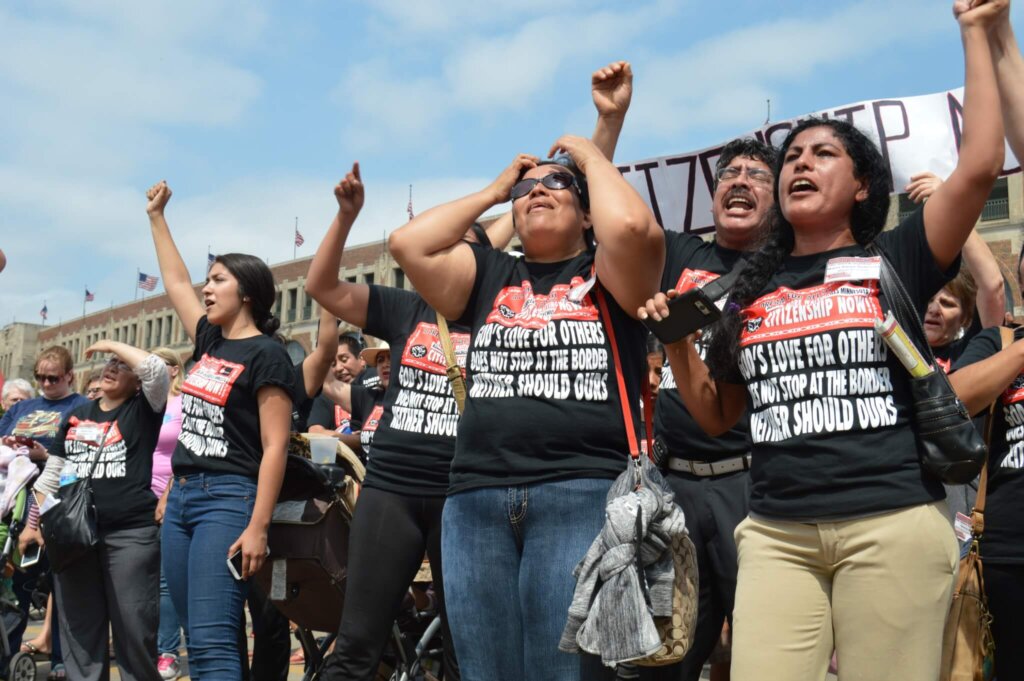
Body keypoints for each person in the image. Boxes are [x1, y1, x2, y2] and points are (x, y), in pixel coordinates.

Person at [641, 3, 1005, 678]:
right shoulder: (742, 290)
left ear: (862, 183)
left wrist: (976, 31)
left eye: (823, 153)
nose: (801, 162)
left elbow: (980, 165)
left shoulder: (895, 257)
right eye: (793, 157)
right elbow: (720, 413)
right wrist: (680, 344)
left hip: (891, 523)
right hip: (777, 535)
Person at [388, 62, 664, 680]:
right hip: (476, 499)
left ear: (587, 212)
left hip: (581, 491)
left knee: (559, 673)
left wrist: (591, 152)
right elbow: (409, 244)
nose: (537, 192)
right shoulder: (490, 275)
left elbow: (633, 226)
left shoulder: (611, 274)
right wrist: (496, 191)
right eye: (527, 190)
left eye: (556, 186)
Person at [146, 180, 295, 679]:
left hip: (228, 499)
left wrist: (257, 525)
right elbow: (174, 281)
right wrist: (157, 218)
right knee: (197, 634)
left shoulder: (267, 355)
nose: (205, 289)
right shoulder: (209, 339)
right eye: (206, 281)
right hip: (182, 499)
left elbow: (275, 447)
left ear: (247, 292)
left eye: (218, 280)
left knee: (212, 643)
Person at [649, 137, 777, 681]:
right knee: (667, 657)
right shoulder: (678, 254)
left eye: (756, 174)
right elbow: (612, 221)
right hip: (671, 489)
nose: (740, 180)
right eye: (729, 173)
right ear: (713, 195)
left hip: (752, 489)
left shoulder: (789, 268)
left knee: (763, 654)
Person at [34, 340, 168, 681]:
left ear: (136, 380)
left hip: (129, 536)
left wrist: (110, 344)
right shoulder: (77, 414)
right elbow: (50, 476)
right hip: (74, 538)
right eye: (108, 363)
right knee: (80, 634)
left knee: (134, 631)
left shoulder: (143, 409)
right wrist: (44, 523)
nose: (111, 367)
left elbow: (155, 370)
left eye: (121, 365)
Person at [1, 346, 87, 676]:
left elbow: (79, 453)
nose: (46, 384)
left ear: (69, 376)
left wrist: (43, 454)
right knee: (16, 585)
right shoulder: (22, 407)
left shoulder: (81, 406)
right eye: (41, 377)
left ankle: (63, 660)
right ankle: (8, 658)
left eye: (53, 378)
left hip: (60, 502)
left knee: (63, 586)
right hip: (16, 503)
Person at [147, 347, 185, 680]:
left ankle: (167, 651)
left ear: (174, 370)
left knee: (164, 580)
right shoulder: (143, 401)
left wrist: (169, 493)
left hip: (170, 496)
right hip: (136, 497)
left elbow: (187, 451)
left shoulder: (183, 402)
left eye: (157, 364)